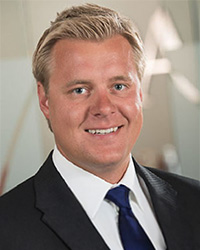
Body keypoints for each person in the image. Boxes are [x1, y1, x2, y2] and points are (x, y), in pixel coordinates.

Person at [0, 3, 200, 250]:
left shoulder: (194, 201)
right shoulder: (7, 229)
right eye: (80, 90)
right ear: (45, 100)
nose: (104, 108)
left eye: (118, 86)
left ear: (139, 92)